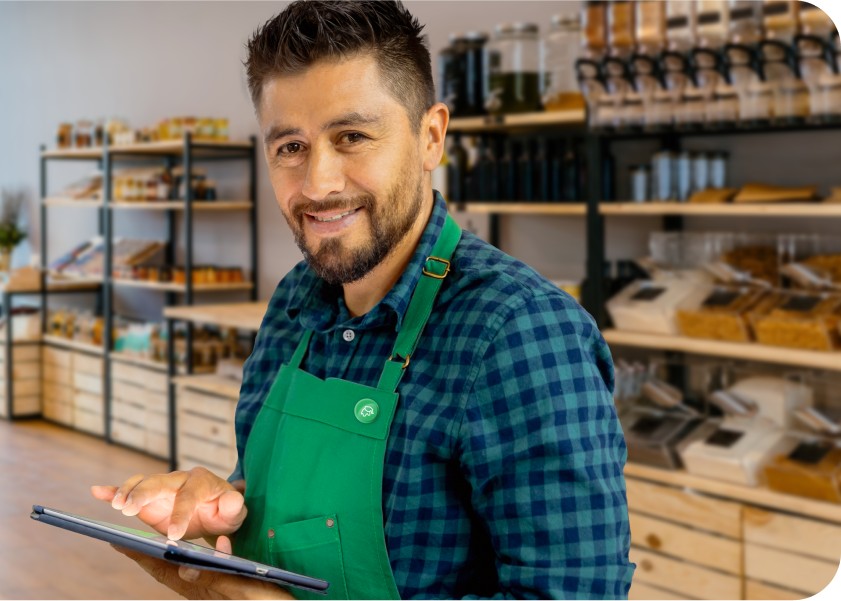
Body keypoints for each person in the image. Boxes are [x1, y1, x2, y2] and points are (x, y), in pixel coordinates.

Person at [92, 1, 634, 599]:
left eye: (352, 136)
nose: (318, 183)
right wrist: (222, 510)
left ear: (431, 137)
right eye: (290, 147)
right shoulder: (296, 304)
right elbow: (300, 522)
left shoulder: (521, 336)